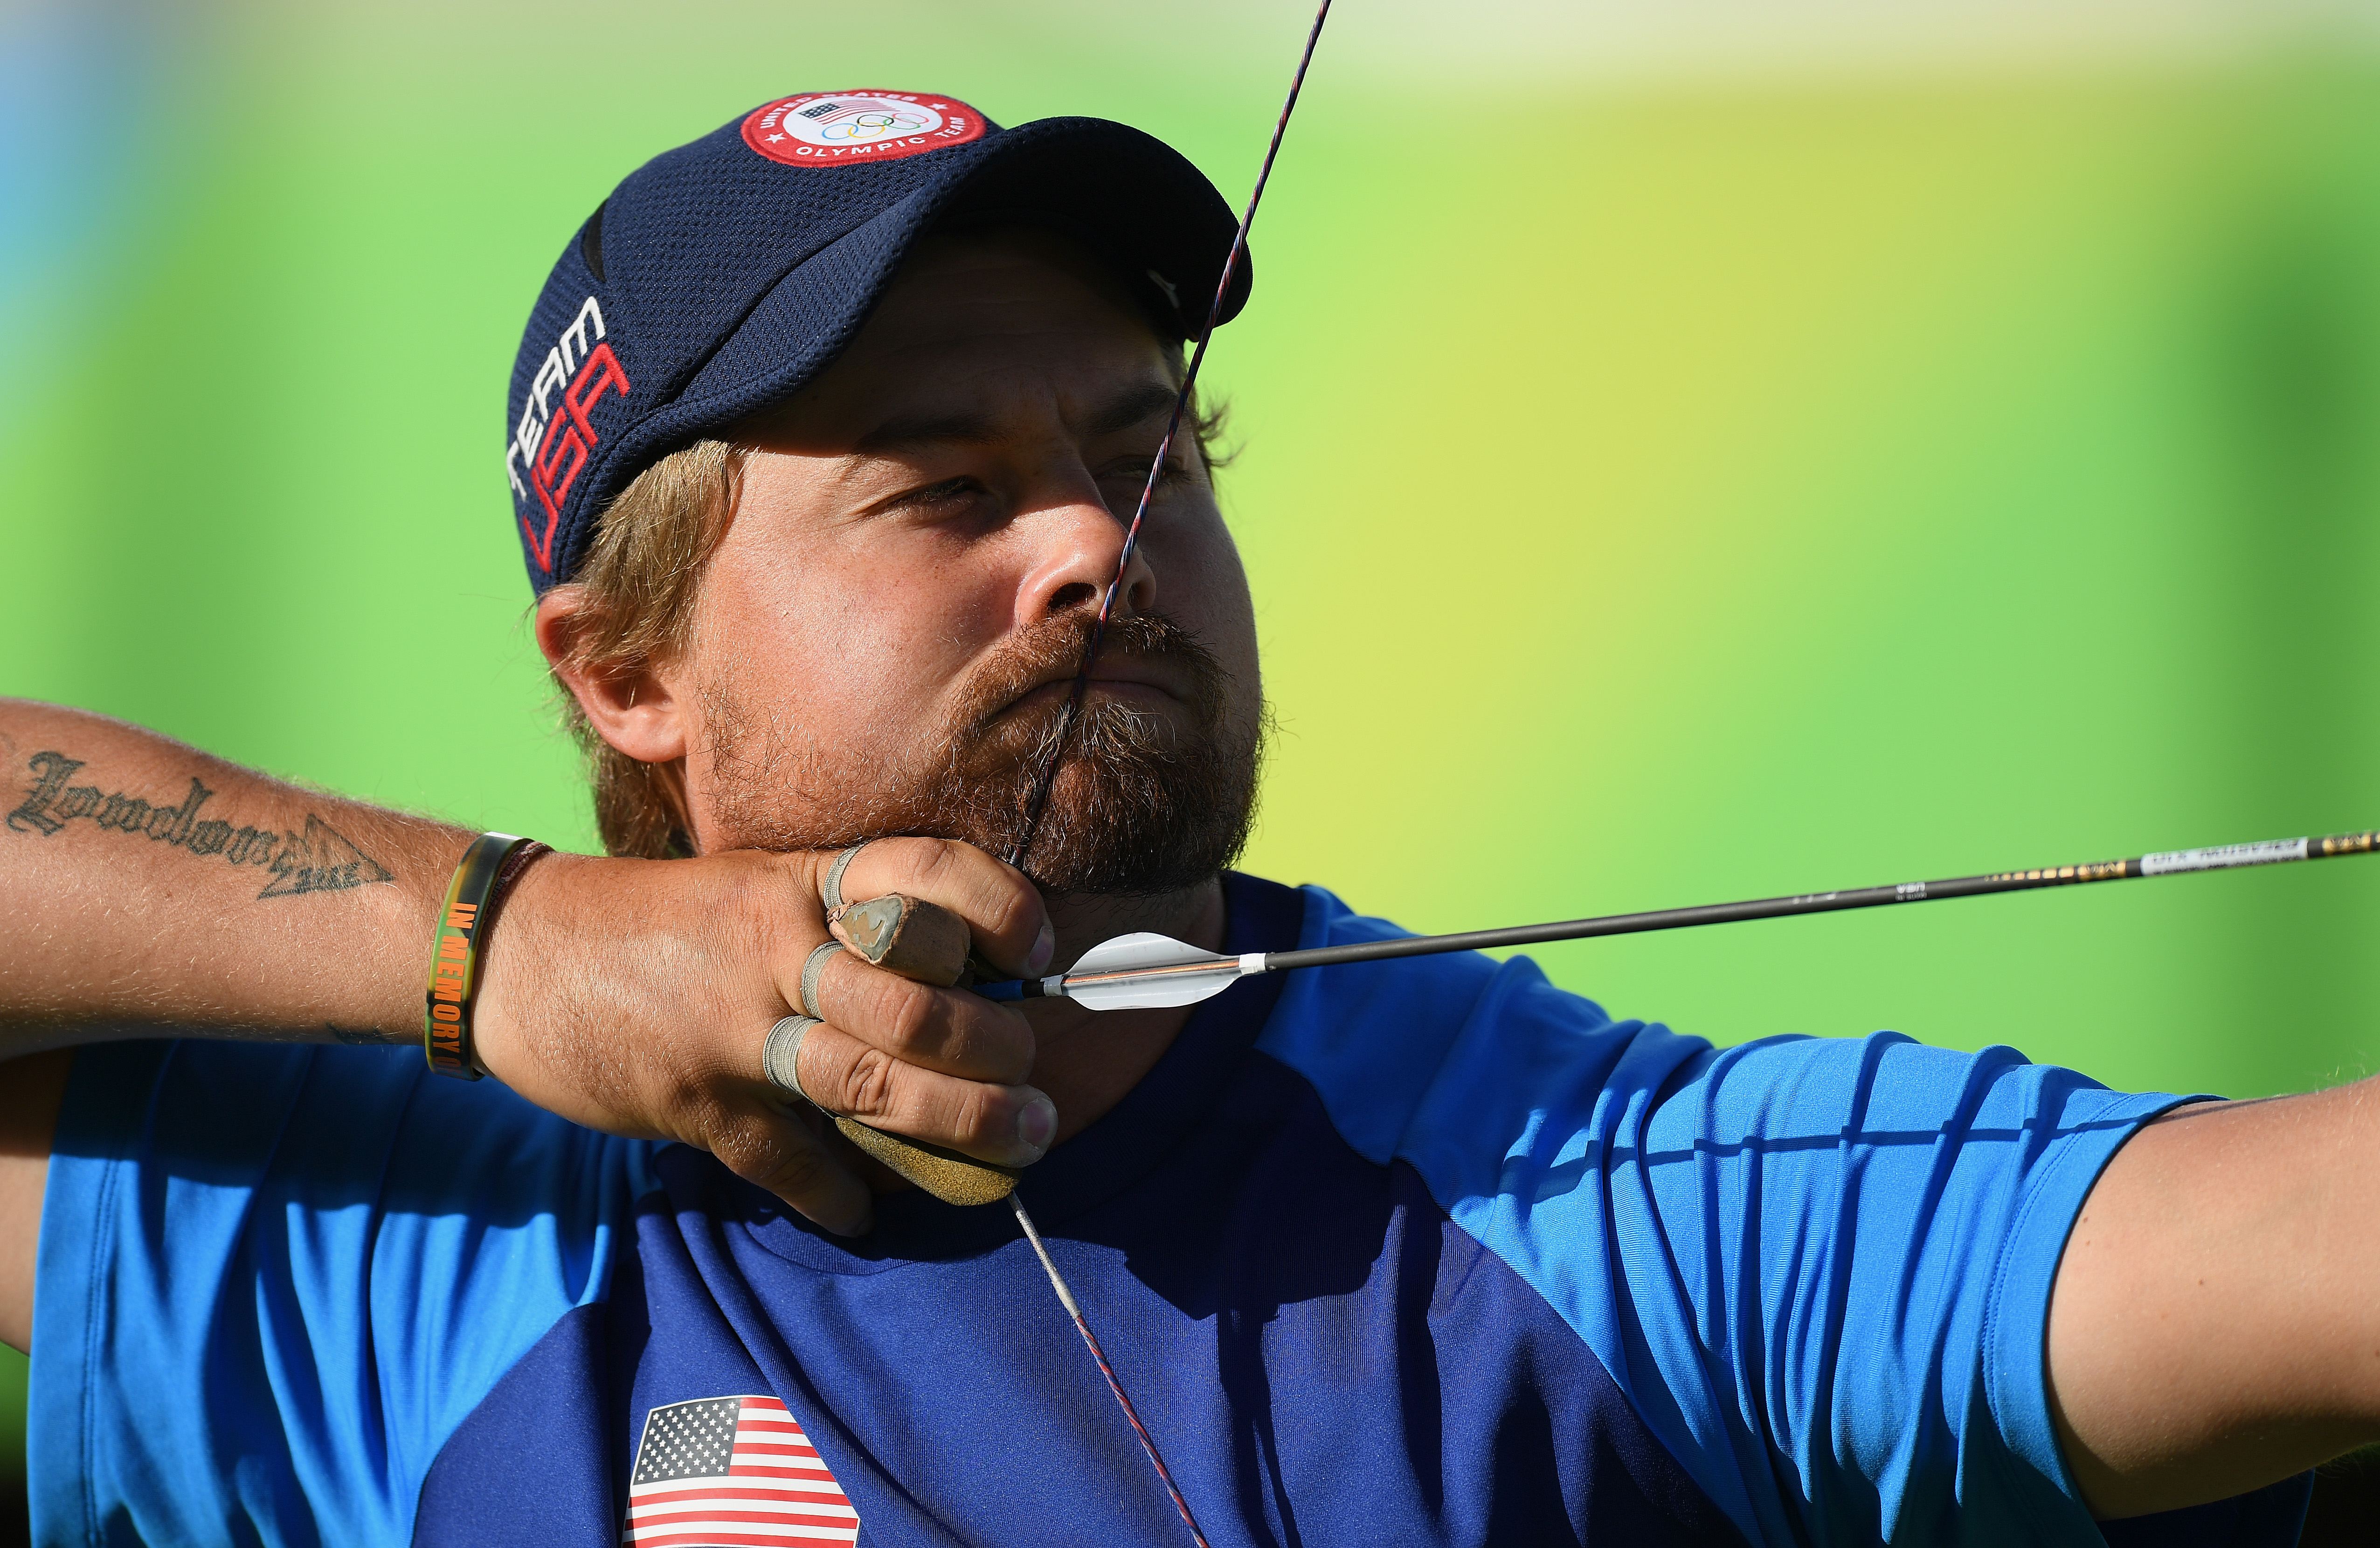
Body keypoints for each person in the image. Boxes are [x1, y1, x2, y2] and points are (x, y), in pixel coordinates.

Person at [0, 88, 2374, 1548]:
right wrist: (501, 946)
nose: (1093, 544)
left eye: (1150, 455)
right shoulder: (380, 1259)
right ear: (624, 672)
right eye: (949, 484)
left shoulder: (1584, 1199)